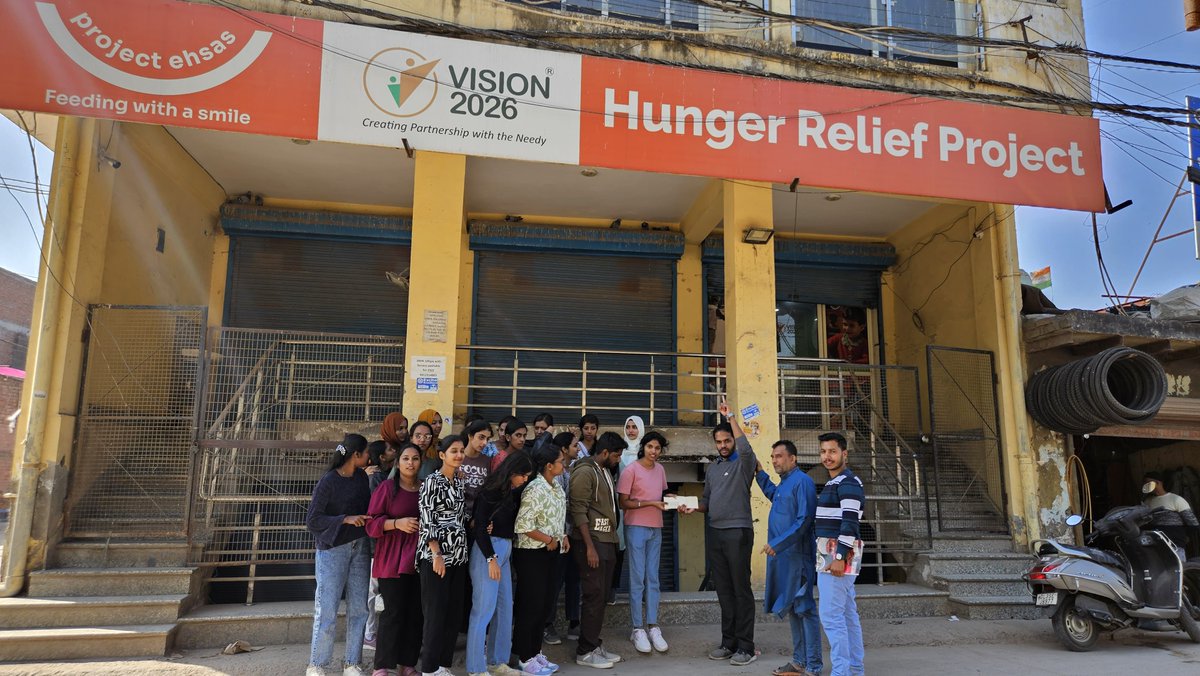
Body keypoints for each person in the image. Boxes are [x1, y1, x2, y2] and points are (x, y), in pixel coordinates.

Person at [678, 399, 759, 666]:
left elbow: (746, 447)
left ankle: (746, 646)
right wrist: (692, 506)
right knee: (724, 590)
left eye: (727, 441)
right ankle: (728, 643)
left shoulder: (744, 463)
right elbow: (707, 502)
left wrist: (731, 416)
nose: (723, 445)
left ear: (733, 440)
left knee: (740, 590)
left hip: (738, 532)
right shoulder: (713, 468)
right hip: (715, 532)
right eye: (719, 442)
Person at [306, 434, 373, 676]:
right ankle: (317, 664)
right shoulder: (328, 481)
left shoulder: (362, 477)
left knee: (359, 609)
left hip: (360, 547)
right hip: (333, 550)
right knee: (327, 609)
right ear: (356, 455)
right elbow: (313, 520)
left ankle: (352, 663)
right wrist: (344, 519)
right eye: (366, 452)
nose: (369, 456)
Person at [466, 452, 534, 676]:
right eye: (523, 475)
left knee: (505, 610)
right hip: (488, 553)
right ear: (512, 472)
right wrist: (490, 558)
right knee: (483, 611)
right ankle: (476, 668)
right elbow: (479, 526)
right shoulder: (490, 492)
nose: (525, 480)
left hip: (504, 551)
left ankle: (497, 662)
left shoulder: (510, 493)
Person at [756, 440, 820, 676]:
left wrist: (777, 543)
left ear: (793, 458)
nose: (774, 460)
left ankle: (813, 666)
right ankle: (799, 662)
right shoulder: (785, 483)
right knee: (792, 607)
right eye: (773, 456)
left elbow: (804, 521)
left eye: (779, 456)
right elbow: (774, 495)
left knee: (805, 608)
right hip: (785, 557)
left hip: (798, 556)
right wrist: (760, 473)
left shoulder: (803, 482)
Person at [366, 443, 425, 676]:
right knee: (394, 612)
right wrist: (396, 523)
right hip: (392, 558)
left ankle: (407, 664)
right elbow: (371, 524)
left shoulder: (426, 488)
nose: (410, 463)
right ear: (398, 463)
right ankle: (381, 666)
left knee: (415, 613)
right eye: (406, 458)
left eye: (415, 458)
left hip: (420, 558)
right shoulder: (387, 488)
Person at [569, 431, 626, 669]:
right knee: (593, 595)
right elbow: (578, 510)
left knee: (601, 596)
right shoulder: (585, 472)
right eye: (616, 455)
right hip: (592, 542)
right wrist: (590, 547)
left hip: (607, 541)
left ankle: (593, 644)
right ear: (604, 452)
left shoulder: (604, 471)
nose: (618, 459)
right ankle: (585, 651)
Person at [513, 441, 570, 675]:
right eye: (560, 462)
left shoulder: (556, 487)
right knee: (531, 605)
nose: (564, 465)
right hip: (532, 554)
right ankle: (524, 657)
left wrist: (562, 536)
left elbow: (555, 517)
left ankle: (536, 652)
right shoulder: (534, 488)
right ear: (548, 465)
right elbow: (523, 525)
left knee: (544, 604)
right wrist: (548, 539)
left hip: (551, 551)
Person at [418, 436, 470, 676]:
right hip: (436, 558)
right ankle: (429, 668)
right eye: (453, 451)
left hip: (458, 556)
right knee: (435, 613)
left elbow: (460, 517)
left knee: (453, 613)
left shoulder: (458, 482)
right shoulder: (432, 482)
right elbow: (427, 519)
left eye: (461, 451)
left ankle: (443, 666)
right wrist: (436, 553)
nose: (459, 455)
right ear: (442, 455)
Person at [815, 432, 865, 676]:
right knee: (846, 615)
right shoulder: (835, 482)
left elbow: (850, 522)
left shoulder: (848, 482)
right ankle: (854, 669)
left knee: (831, 617)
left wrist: (838, 557)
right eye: (823, 451)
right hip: (831, 553)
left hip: (836, 556)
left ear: (844, 454)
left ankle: (842, 672)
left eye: (832, 451)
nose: (827, 456)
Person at [616, 430, 671, 654]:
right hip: (636, 527)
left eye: (657, 448)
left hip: (656, 527)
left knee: (653, 578)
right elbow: (623, 502)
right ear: (643, 447)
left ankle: (653, 626)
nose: (653, 451)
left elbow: (663, 497)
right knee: (638, 578)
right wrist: (649, 503)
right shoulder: (631, 470)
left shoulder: (660, 470)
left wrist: (674, 501)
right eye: (650, 447)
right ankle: (637, 628)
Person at [544, 431, 584, 646]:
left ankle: (574, 621)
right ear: (564, 449)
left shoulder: (573, 470)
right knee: (555, 580)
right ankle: (547, 624)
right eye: (575, 445)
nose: (578, 449)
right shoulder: (554, 474)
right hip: (556, 535)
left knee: (574, 579)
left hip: (571, 533)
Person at [364, 439, 393, 650]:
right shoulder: (375, 478)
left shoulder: (381, 475)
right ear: (382, 457)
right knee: (372, 590)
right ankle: (369, 634)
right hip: (375, 543)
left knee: (373, 590)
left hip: (378, 542)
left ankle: (370, 632)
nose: (394, 451)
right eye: (390, 450)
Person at [1142, 471, 1200, 551]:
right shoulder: (1147, 502)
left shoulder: (1176, 499)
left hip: (1175, 546)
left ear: (1158, 483)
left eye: (1148, 483)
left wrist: (1182, 536)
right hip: (1156, 546)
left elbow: (1193, 524)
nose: (1146, 486)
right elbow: (1145, 522)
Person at [462, 419, 495, 519]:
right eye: (481, 437)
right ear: (470, 436)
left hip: (477, 515)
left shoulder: (487, 461)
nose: (484, 443)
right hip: (456, 514)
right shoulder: (457, 457)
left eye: (487, 439)